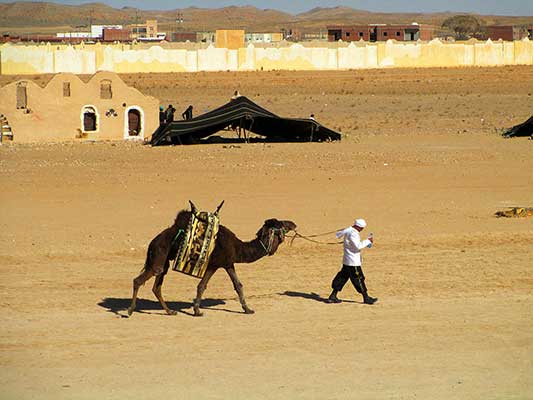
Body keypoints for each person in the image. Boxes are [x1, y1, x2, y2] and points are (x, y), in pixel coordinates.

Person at [326, 218, 377, 305]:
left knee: (342, 277)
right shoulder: (353, 233)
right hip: (353, 262)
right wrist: (368, 241)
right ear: (359, 227)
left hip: (347, 260)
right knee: (359, 279)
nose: (362, 230)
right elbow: (358, 246)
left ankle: (333, 296)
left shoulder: (349, 230)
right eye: (362, 228)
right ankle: (366, 298)